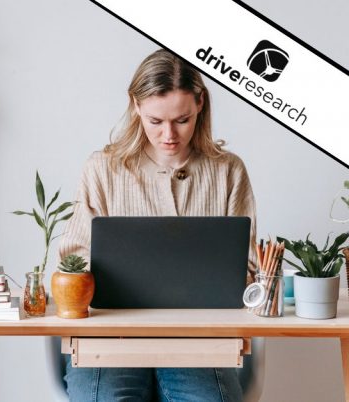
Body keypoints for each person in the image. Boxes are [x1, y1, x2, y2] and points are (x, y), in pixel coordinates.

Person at [57, 49, 257, 402]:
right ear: (135, 106)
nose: (169, 134)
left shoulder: (228, 171)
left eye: (181, 119)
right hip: (109, 339)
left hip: (199, 343)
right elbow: (73, 261)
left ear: (200, 104)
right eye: (155, 121)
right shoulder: (102, 168)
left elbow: (250, 269)